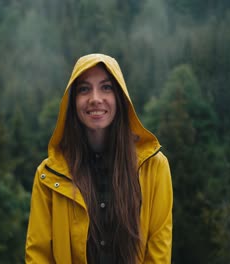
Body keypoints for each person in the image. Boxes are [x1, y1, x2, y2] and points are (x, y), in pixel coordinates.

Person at [25, 53, 173, 263]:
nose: (95, 99)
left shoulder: (155, 167)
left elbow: (159, 252)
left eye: (106, 87)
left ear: (120, 98)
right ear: (72, 102)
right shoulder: (48, 176)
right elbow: (38, 255)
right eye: (84, 89)